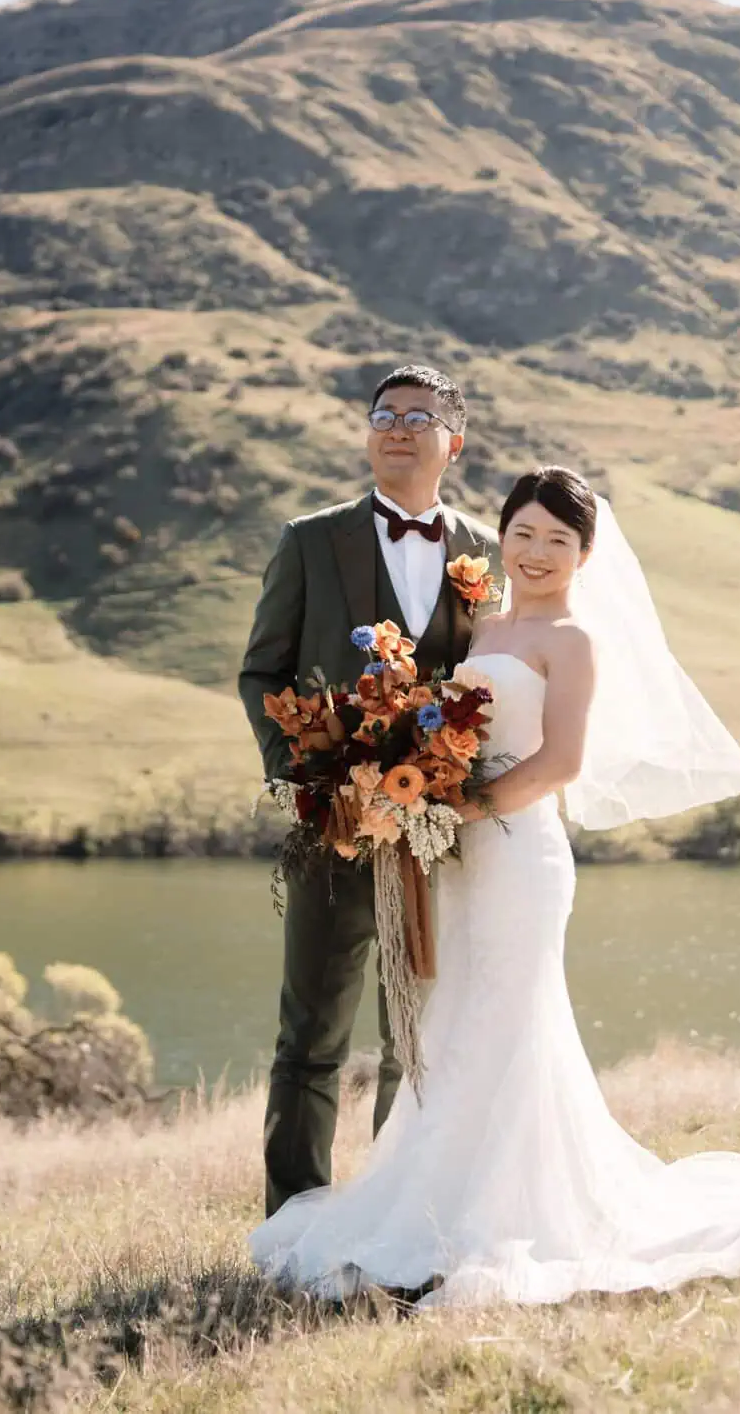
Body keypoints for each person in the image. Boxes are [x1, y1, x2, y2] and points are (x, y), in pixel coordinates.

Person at [248, 465, 740, 1305]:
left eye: (557, 541)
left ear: (584, 554)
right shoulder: (480, 629)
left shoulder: (573, 643)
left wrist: (456, 804)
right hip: (453, 863)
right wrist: (399, 782)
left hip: (518, 855)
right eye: (523, 534)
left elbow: (561, 762)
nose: (537, 553)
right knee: (450, 1020)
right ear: (501, 536)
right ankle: (428, 1202)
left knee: (507, 1023)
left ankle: (506, 1217)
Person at [239, 364, 499, 1216]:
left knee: (412, 1038)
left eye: (417, 417)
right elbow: (262, 671)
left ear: (451, 441)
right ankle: (292, 1219)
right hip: (332, 825)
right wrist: (311, 784)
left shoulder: (484, 554)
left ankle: (396, 1211)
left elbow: (492, 683)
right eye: (382, 414)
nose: (395, 428)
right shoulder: (309, 540)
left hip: (436, 838)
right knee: (310, 1035)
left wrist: (458, 786)